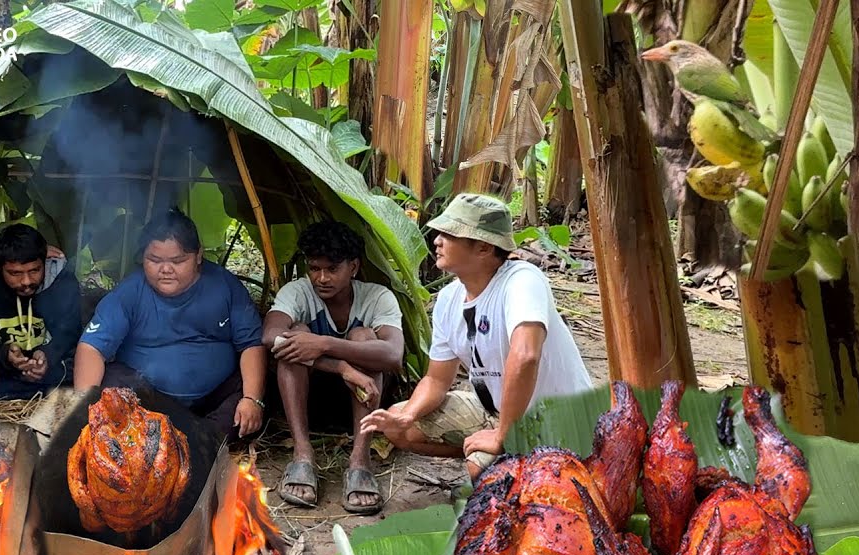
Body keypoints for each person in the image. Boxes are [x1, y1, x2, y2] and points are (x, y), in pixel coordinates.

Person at [361, 193, 592, 481]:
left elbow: (525, 356)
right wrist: (408, 415)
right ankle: (509, 462)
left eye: (450, 234)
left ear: (483, 247)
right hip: (498, 412)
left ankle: (527, 466)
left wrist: (503, 436)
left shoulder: (522, 280)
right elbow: (436, 380)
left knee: (481, 467)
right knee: (400, 427)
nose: (437, 241)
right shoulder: (449, 298)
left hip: (557, 421)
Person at [74, 208, 266, 442]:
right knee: (112, 382)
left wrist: (252, 399)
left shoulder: (225, 286)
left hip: (214, 399)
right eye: (154, 260)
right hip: (148, 402)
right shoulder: (128, 293)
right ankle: (161, 440)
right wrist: (86, 410)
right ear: (142, 257)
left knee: (251, 390)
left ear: (198, 256)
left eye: (178, 261)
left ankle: (200, 441)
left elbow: (251, 344)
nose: (165, 270)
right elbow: (91, 348)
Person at [263, 221, 404, 515]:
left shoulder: (377, 297)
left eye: (332, 269)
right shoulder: (298, 293)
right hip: (308, 402)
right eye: (314, 268)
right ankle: (303, 454)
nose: (322, 278)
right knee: (295, 336)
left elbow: (393, 355)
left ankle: (360, 460)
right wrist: (340, 367)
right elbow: (270, 336)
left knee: (363, 337)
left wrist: (324, 343)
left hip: (366, 398)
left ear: (353, 267)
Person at [0, 223, 82, 400]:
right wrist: (5, 356)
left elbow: (70, 333)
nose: (26, 281)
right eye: (15, 273)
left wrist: (47, 355)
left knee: (80, 372)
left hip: (54, 369)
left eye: (35, 270)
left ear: (44, 262)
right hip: (4, 372)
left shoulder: (62, 283)